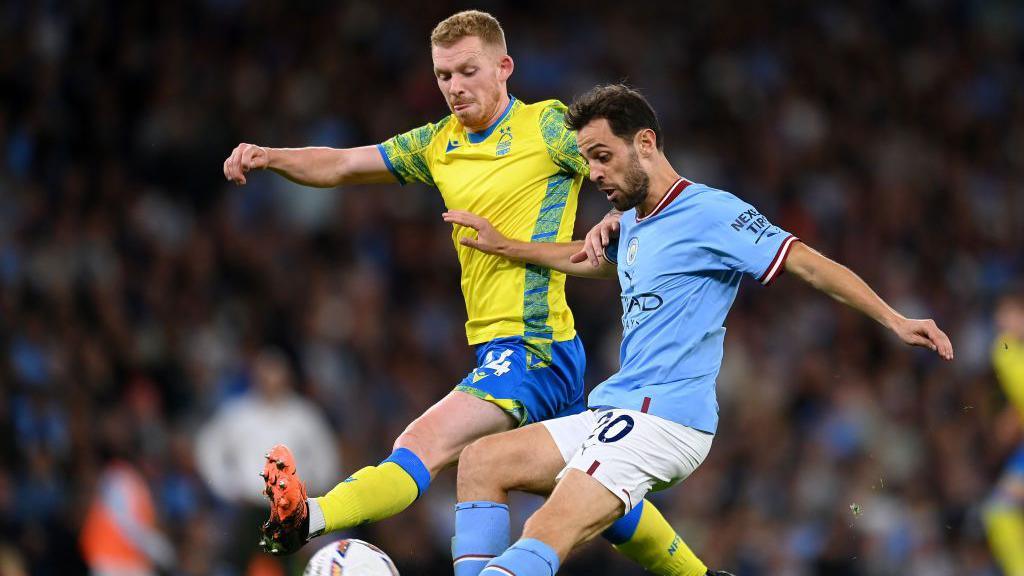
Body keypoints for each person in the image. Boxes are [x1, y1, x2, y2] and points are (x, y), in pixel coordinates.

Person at [224, 11, 717, 576]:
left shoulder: (546, 127)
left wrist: (617, 218)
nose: (455, 87)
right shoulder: (437, 143)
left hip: (532, 345)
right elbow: (341, 164)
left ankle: (307, 519)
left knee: (427, 442)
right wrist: (269, 156)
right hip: (521, 348)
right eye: (443, 76)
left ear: (504, 67)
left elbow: (618, 158)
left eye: (468, 71)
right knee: (596, 486)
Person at [441, 83, 954, 575]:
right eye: (587, 160)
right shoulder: (634, 219)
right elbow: (584, 257)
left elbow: (807, 263)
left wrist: (895, 318)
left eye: (602, 156)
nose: (593, 173)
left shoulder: (712, 212)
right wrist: (504, 245)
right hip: (615, 409)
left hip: (664, 422)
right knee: (482, 461)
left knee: (547, 526)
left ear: (645, 142)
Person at [983, 293, 1024, 576]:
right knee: (999, 511)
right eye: (1001, 317)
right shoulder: (1004, 349)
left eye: (1011, 314)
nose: (1004, 323)